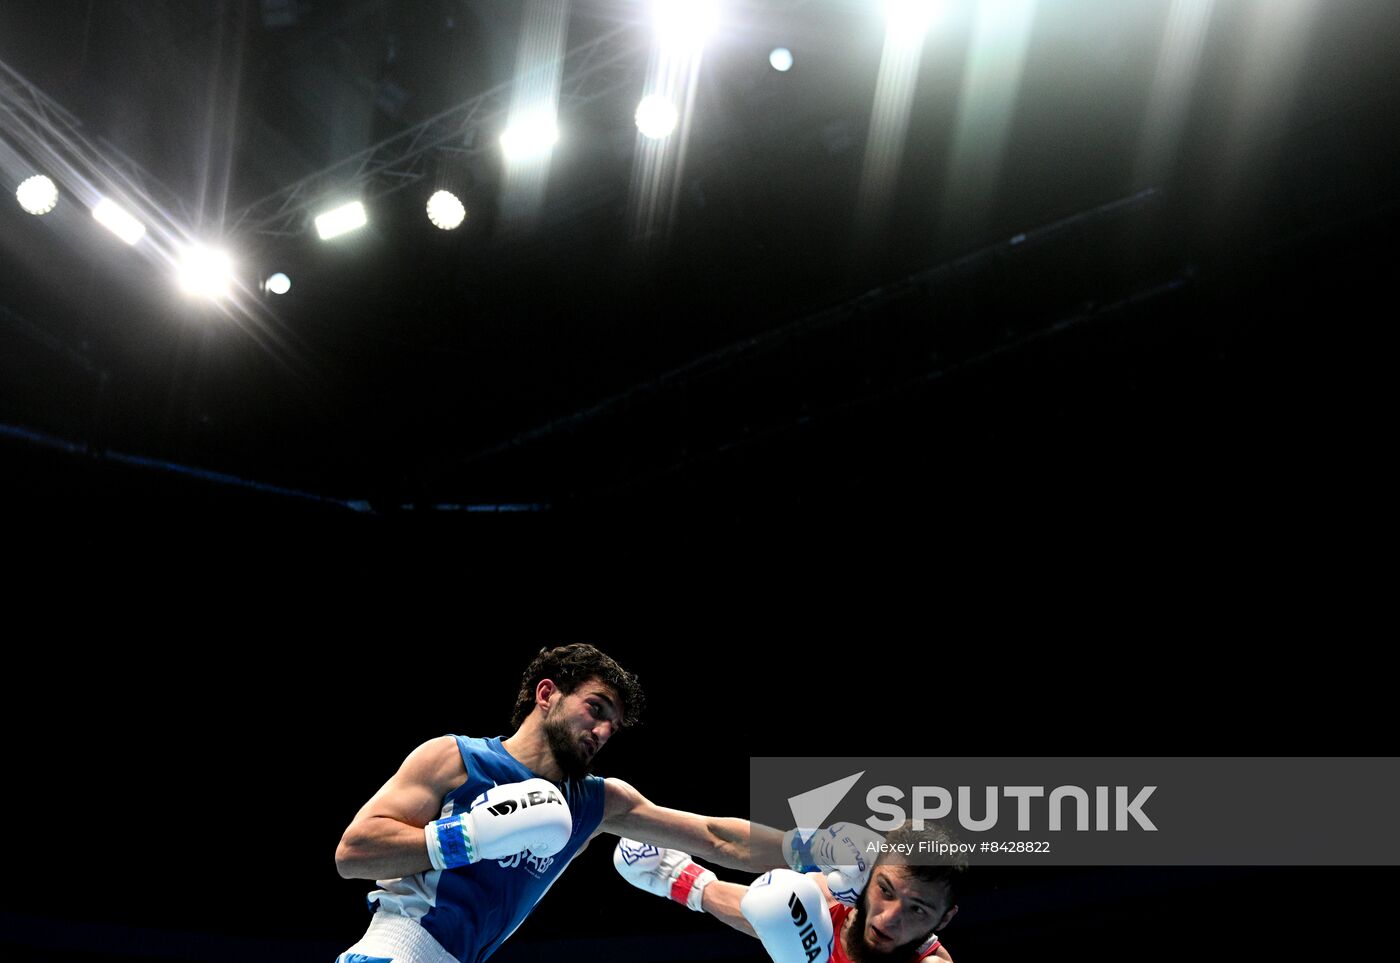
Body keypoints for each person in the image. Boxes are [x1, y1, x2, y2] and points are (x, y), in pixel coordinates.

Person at [332, 643, 794, 963]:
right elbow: (353, 854)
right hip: (395, 947)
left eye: (613, 726)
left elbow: (717, 837)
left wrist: (810, 849)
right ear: (547, 694)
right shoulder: (456, 758)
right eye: (596, 709)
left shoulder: (596, 801)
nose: (602, 732)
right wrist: (470, 837)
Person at [614, 821, 964, 963]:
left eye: (917, 910)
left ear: (944, 918)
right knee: (782, 899)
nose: (889, 918)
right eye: (886, 890)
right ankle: (679, 878)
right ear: (871, 876)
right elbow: (724, 843)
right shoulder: (829, 895)